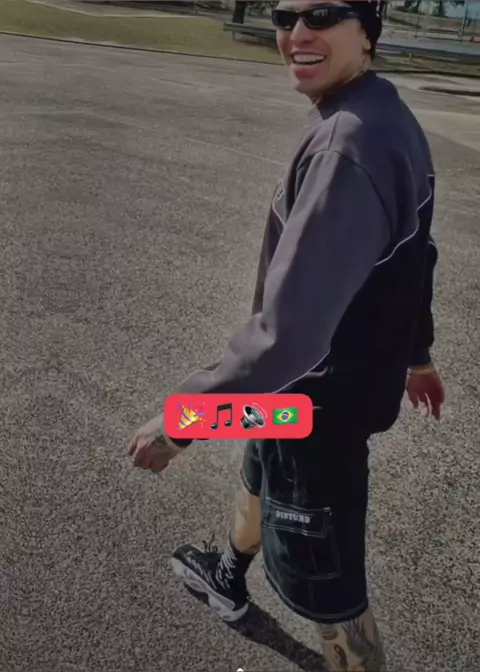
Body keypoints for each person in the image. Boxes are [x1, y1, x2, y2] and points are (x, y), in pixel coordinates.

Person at [128, 1, 446, 670]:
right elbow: (417, 255)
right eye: (284, 14)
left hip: (315, 415)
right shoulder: (382, 112)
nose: (297, 33)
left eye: (322, 13)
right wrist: (417, 356)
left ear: (367, 30)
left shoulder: (347, 145)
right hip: (288, 403)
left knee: (333, 594)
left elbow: (286, 338)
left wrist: (183, 421)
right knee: (257, 473)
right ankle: (228, 575)